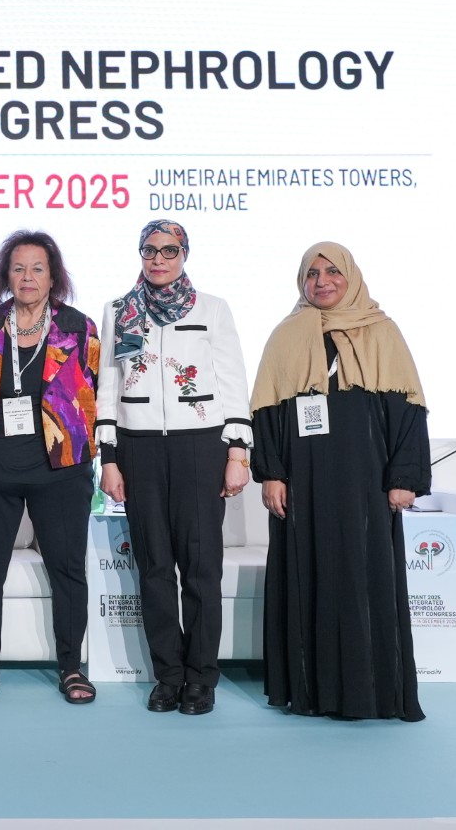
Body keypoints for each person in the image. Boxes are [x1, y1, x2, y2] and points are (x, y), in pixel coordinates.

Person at [251, 241, 430, 722]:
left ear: (351, 276)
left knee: (365, 577)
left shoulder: (382, 331)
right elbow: (266, 411)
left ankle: (371, 693)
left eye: (333, 271)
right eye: (312, 274)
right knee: (305, 573)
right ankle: (310, 692)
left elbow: (408, 409)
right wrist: (271, 473)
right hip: (302, 481)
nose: (322, 281)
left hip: (365, 481)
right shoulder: (286, 335)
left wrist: (403, 477)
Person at [95, 219, 251, 717]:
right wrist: (109, 458)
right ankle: (168, 676)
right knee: (155, 569)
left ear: (185, 254)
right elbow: (107, 385)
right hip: (138, 448)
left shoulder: (213, 308)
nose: (158, 259)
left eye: (169, 250)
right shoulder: (118, 310)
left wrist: (237, 452)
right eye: (150, 250)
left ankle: (201, 678)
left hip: (200, 447)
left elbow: (232, 380)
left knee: (201, 569)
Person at [0, 230, 101, 705]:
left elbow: (93, 392)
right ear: (6, 275)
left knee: (68, 570)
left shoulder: (79, 327)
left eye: (38, 268)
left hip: (60, 469)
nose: (28, 277)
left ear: (53, 276)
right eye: (18, 268)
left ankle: (71, 668)